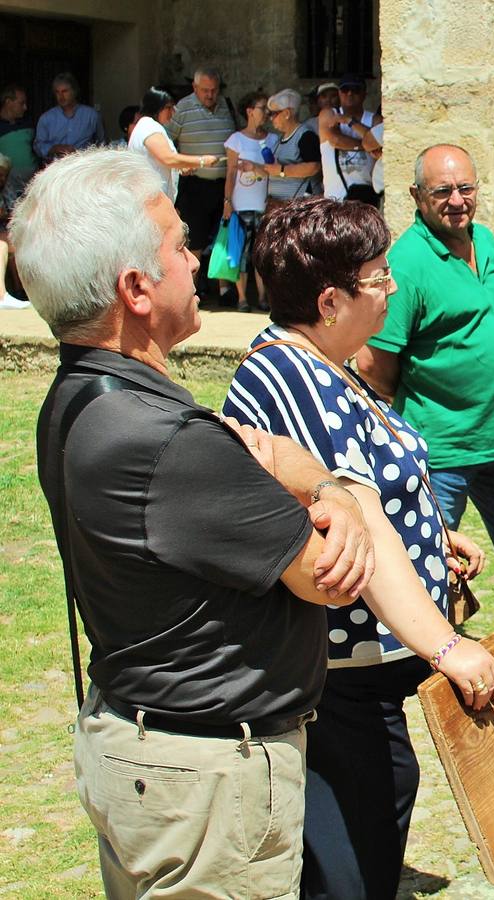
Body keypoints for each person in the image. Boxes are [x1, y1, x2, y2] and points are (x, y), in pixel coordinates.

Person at [16, 147, 374, 897]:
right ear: (137, 289)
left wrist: (330, 490)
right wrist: (339, 500)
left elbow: (270, 455)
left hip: (151, 748)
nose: (195, 256)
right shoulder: (169, 443)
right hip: (206, 779)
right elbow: (328, 576)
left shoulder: (87, 397)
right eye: (179, 245)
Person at [223, 196, 494, 898]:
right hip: (335, 671)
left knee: (378, 810)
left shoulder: (327, 363)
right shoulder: (288, 375)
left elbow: (376, 480)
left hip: (366, 665)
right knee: (351, 852)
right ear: (330, 300)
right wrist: (448, 645)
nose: (393, 289)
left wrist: (432, 534)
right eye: (379, 278)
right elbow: (350, 519)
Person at [356, 144, 494, 610]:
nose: (456, 200)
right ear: (417, 196)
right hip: (442, 450)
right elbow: (374, 363)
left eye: (465, 188)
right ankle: (425, 665)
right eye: (442, 191)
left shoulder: (486, 240)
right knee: (428, 566)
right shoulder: (407, 263)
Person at [167, 67, 237, 303]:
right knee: (194, 240)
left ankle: (225, 290)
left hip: (223, 185)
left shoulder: (227, 105)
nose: (210, 95)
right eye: (205, 90)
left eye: (213, 90)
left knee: (223, 238)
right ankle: (192, 291)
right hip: (195, 185)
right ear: (195, 88)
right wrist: (181, 164)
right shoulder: (183, 109)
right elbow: (167, 142)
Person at [223, 92, 280, 311]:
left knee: (263, 253)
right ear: (249, 111)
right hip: (241, 203)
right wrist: (227, 201)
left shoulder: (273, 139)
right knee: (243, 251)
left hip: (265, 203)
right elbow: (230, 174)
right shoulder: (236, 140)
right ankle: (242, 298)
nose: (266, 113)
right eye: (262, 108)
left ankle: (263, 298)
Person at [128, 87, 219, 201]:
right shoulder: (149, 127)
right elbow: (167, 158)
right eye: (169, 107)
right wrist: (201, 161)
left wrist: (180, 167)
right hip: (149, 201)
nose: (173, 111)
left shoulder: (150, 126)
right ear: (156, 107)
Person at [318, 73, 380, 204]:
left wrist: (349, 121)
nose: (350, 94)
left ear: (364, 94)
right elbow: (335, 140)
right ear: (339, 93)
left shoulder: (375, 120)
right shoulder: (328, 114)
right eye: (345, 90)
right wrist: (367, 146)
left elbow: (376, 141)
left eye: (356, 90)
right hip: (336, 199)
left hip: (366, 198)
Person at [262, 89, 323, 204]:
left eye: (273, 114)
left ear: (286, 114)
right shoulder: (280, 139)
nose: (271, 119)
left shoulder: (306, 136)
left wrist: (281, 170)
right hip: (281, 206)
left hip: (300, 207)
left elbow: (314, 167)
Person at [34, 73, 104, 162]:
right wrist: (54, 148)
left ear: (74, 91)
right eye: (57, 92)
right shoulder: (46, 118)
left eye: (64, 91)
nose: (61, 96)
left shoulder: (92, 115)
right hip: (55, 167)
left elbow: (102, 144)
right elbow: (38, 146)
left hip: (83, 166)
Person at [0, 153, 26, 309]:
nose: (1, 179)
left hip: (4, 231)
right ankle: (3, 296)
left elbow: (14, 212)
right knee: (3, 246)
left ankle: (19, 291)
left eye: (4, 175)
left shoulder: (6, 188)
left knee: (17, 242)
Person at [0, 85, 37, 191]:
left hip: (32, 184)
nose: (25, 107)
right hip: (7, 187)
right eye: (21, 103)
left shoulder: (28, 123)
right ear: (8, 102)